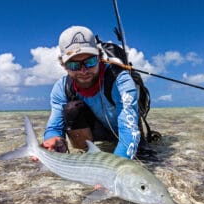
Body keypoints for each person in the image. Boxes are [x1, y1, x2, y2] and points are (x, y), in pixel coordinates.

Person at [42, 25, 143, 160]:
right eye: (74, 65)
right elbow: (54, 127)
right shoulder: (62, 87)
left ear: (99, 57)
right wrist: (53, 139)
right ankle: (87, 157)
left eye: (90, 61)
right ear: (63, 66)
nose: (83, 71)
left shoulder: (121, 81)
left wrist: (114, 171)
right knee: (71, 109)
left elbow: (129, 130)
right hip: (97, 133)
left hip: (126, 132)